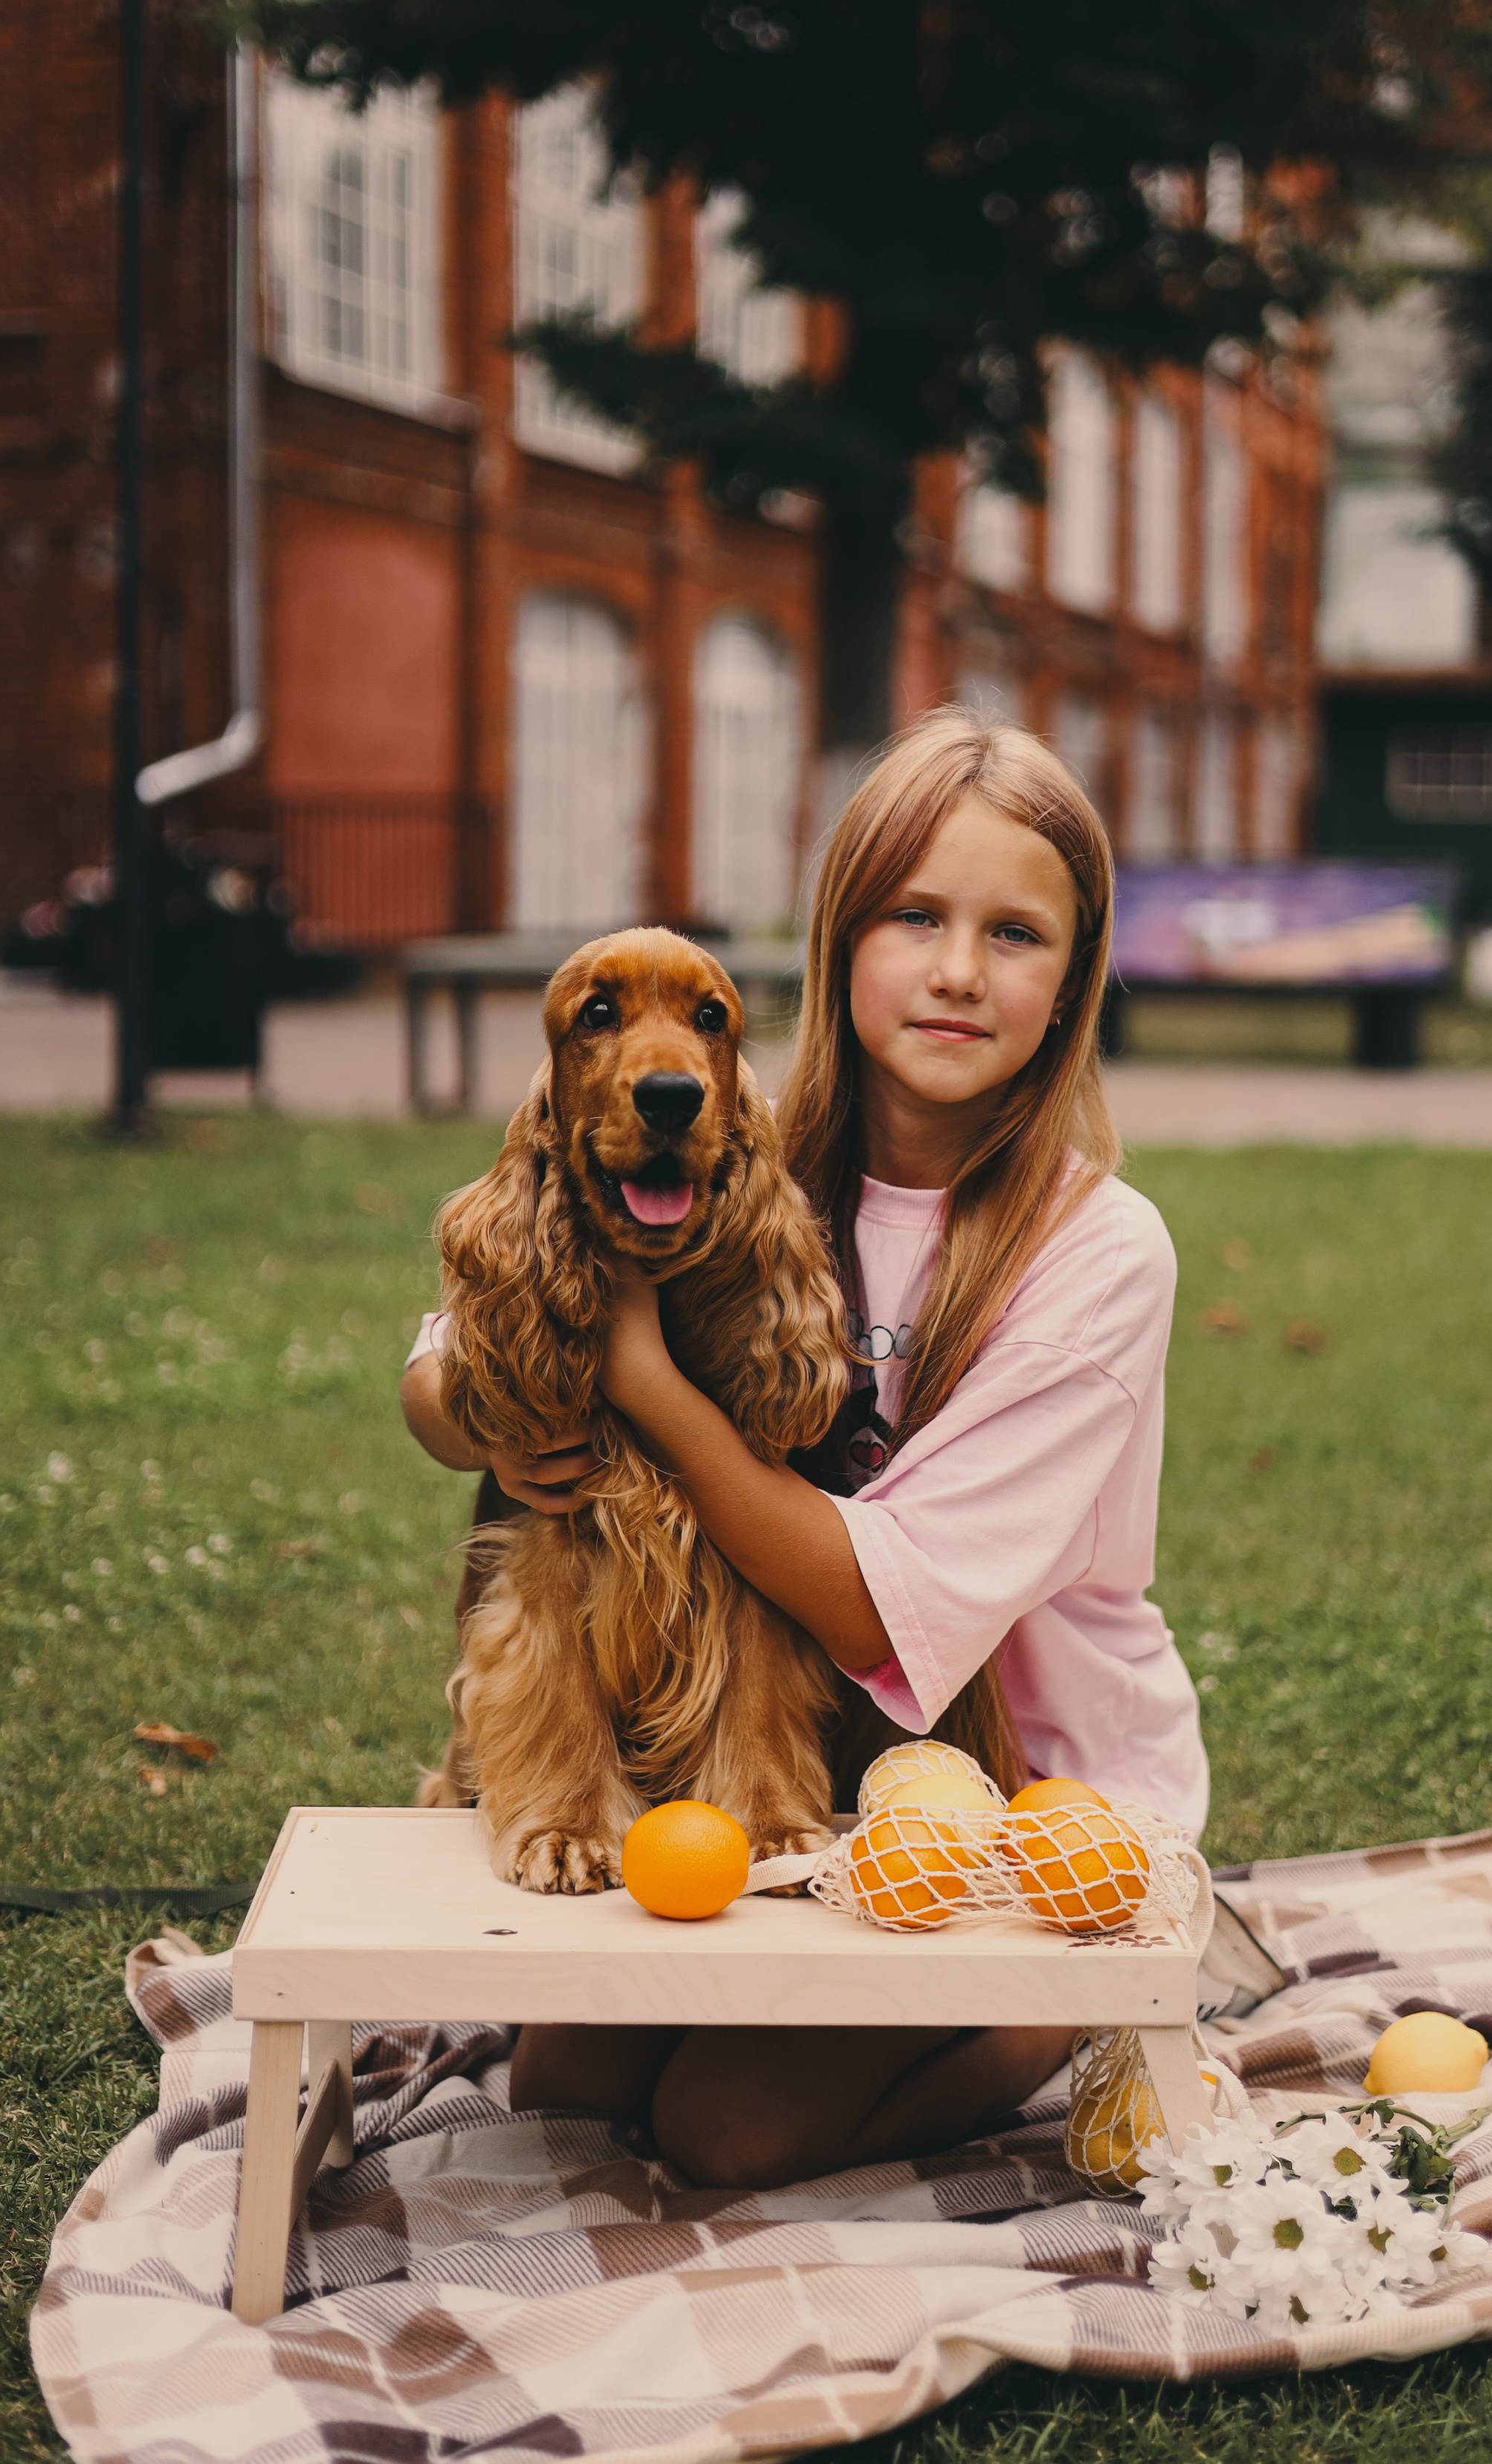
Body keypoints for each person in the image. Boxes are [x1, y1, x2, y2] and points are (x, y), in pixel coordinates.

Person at [400, 710, 1205, 2185]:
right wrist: (494, 1430)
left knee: (726, 2125)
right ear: (838, 944)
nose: (957, 969)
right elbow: (445, 1362)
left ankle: (1063, 2013)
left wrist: (638, 1373)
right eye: (915, 917)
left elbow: (867, 1609)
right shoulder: (747, 1156)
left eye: (1014, 933)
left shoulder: (1097, 1249)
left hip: (1030, 1803)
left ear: (1073, 982)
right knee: (561, 2081)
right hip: (797, 1778)